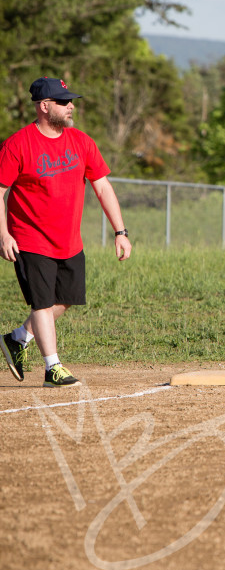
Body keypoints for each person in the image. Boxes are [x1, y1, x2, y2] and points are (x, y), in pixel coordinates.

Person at [0, 77, 132, 387]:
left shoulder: (82, 142)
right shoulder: (18, 144)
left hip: (69, 240)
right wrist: (4, 234)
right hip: (29, 237)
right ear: (44, 107)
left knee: (67, 298)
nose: (70, 105)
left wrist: (120, 231)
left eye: (70, 100)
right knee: (42, 303)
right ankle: (52, 367)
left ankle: (17, 338)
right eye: (62, 101)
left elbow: (102, 186)